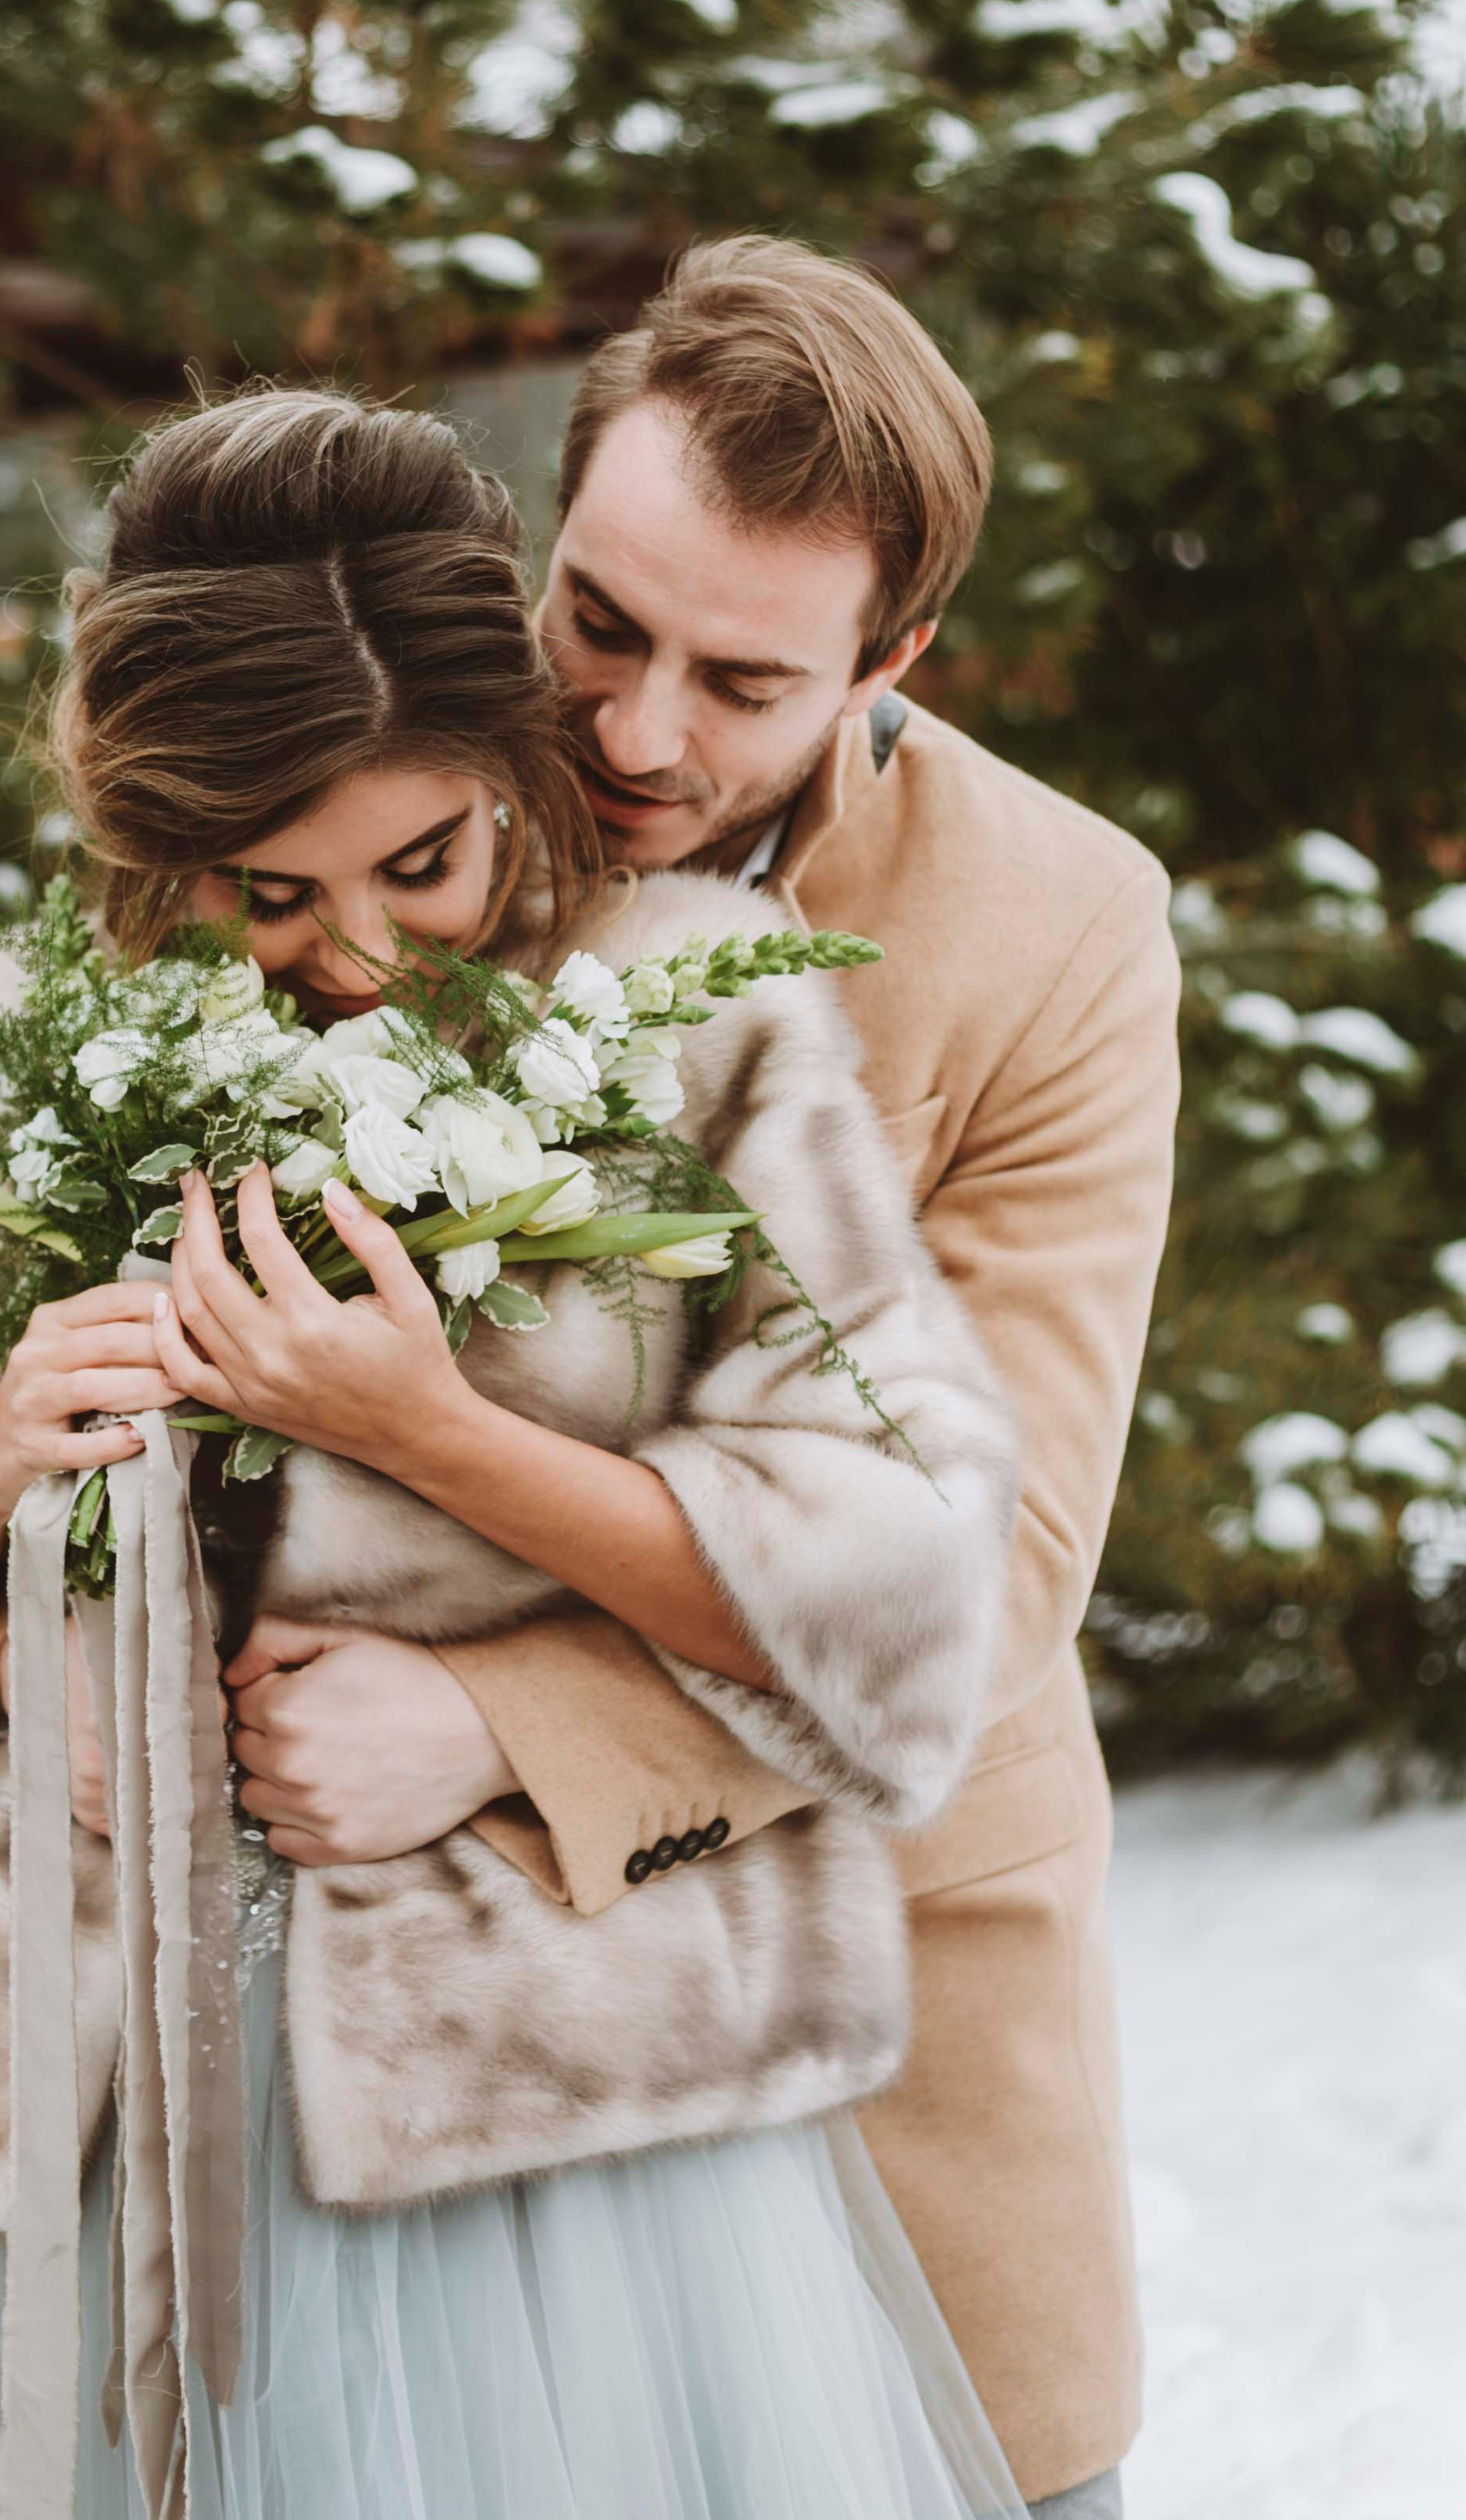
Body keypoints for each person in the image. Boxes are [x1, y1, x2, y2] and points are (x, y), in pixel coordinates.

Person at [0, 387, 1029, 2520]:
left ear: (514, 760)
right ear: (162, 841)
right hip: (87, 2105)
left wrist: (431, 1441)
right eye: (272, 889)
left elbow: (904, 1572)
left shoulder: (694, 1025)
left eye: (424, 859)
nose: (359, 951)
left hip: (552, 2138)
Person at [225, 242, 1182, 2520]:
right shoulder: (358, 795)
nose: (640, 733)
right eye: (599, 624)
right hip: (396, 2150)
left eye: (744, 680)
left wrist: (507, 1723)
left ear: (894, 662)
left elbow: (991, 1565)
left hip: (882, 2056)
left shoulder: (1062, 928)